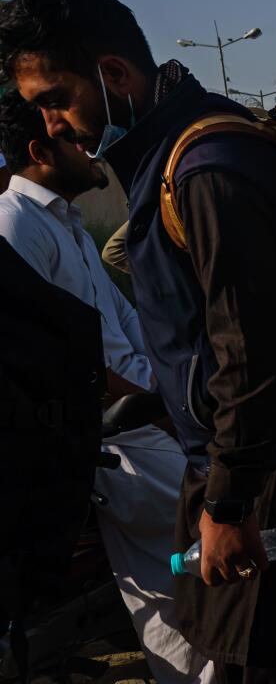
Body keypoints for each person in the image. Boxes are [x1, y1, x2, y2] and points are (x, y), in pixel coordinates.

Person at [0, 0, 276, 682]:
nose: (51, 125)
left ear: (114, 73)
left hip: (274, 483)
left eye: (56, 99)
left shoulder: (205, 168)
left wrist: (230, 501)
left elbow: (250, 355)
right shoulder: (168, 159)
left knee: (271, 660)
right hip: (248, 469)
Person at [0, 90, 212, 684]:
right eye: (72, 136)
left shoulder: (63, 223)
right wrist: (156, 410)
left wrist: (185, 396)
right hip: (117, 438)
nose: (92, 143)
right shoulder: (15, 225)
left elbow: (128, 328)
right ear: (39, 150)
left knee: (202, 573)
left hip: (152, 419)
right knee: (198, 557)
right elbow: (53, 365)